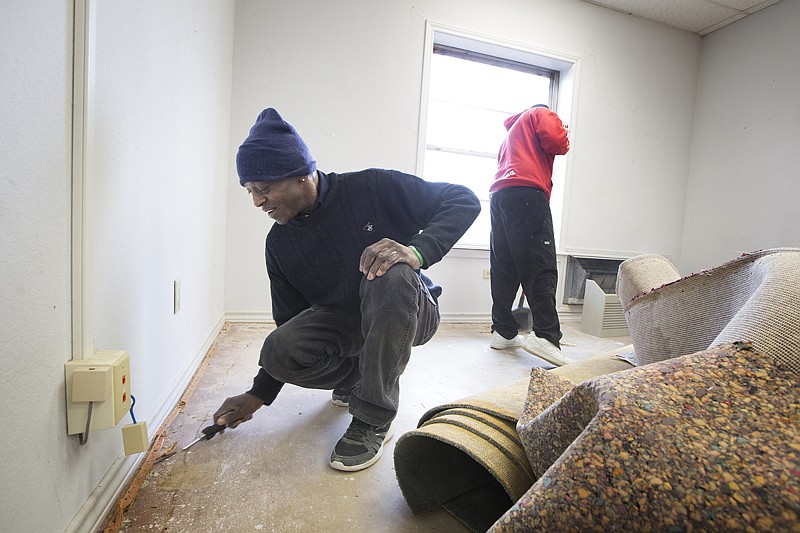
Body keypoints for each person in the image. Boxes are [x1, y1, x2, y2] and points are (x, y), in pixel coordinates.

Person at [213, 108, 480, 471]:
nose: (257, 201)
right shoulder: (279, 244)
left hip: (411, 308)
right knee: (280, 348)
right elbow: (290, 321)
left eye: (264, 188)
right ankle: (363, 377)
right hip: (349, 321)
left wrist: (416, 251)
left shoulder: (372, 188)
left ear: (302, 174)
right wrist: (260, 393)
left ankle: (373, 417)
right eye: (250, 191)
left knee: (387, 272)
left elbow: (463, 199)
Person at [488, 104, 570, 367]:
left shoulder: (511, 134)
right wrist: (563, 129)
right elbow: (557, 141)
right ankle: (546, 336)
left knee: (505, 266)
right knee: (540, 264)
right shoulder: (539, 113)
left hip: (499, 195)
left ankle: (503, 331)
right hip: (526, 193)